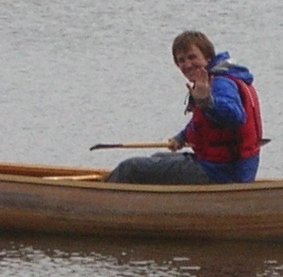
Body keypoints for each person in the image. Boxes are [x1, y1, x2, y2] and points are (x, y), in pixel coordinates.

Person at [104, 31, 263, 184]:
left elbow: (236, 117)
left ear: (208, 57)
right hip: (225, 169)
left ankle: (105, 202)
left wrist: (207, 101)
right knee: (158, 157)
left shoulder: (222, 84)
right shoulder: (213, 80)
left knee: (131, 168)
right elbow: (204, 123)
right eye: (181, 60)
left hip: (222, 174)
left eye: (192, 57)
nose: (187, 64)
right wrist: (182, 137)